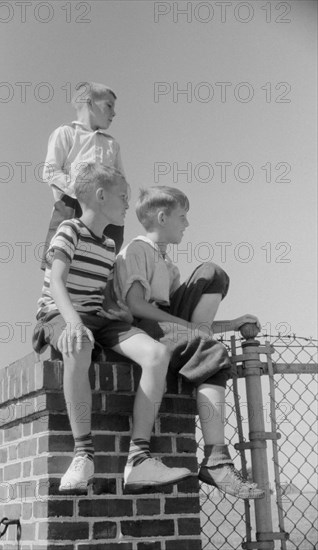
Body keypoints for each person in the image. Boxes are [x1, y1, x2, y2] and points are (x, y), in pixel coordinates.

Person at [32, 167, 191, 494]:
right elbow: (57, 281)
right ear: (100, 195)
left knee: (157, 354)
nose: (127, 203)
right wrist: (74, 322)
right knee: (79, 345)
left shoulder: (107, 245)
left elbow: (99, 292)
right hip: (59, 313)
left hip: (98, 317)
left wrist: (116, 310)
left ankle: (139, 458)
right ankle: (83, 454)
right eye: (122, 196)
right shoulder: (69, 230)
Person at [114, 185, 265, 499]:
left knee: (213, 273)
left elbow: (192, 327)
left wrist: (232, 323)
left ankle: (216, 462)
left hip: (166, 320)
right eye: (182, 217)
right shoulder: (137, 249)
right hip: (145, 324)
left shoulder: (168, 265)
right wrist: (195, 332)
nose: (187, 224)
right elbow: (138, 306)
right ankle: (216, 461)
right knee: (213, 354)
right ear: (161, 217)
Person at [40, 81, 125, 270]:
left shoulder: (112, 144)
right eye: (108, 105)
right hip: (72, 208)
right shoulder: (67, 133)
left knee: (102, 268)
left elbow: (121, 181)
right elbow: (51, 171)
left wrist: (120, 204)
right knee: (62, 264)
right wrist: (83, 192)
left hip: (107, 215)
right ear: (89, 102)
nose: (114, 113)